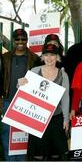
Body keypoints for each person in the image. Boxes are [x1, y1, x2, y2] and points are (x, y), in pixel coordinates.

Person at [18, 44, 70, 160]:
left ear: (57, 57)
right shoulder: (35, 71)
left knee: (56, 154)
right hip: (38, 117)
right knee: (38, 154)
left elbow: (65, 98)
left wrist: (66, 119)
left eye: (52, 55)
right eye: (46, 55)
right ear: (42, 57)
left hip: (56, 118)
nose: (49, 58)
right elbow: (22, 89)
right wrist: (20, 83)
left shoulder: (63, 75)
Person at [0, 29, 41, 161]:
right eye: (17, 39)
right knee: (7, 134)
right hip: (7, 101)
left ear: (27, 40)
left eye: (23, 39)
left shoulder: (35, 58)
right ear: (13, 41)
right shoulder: (5, 57)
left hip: (26, 103)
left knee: (23, 137)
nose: (20, 42)